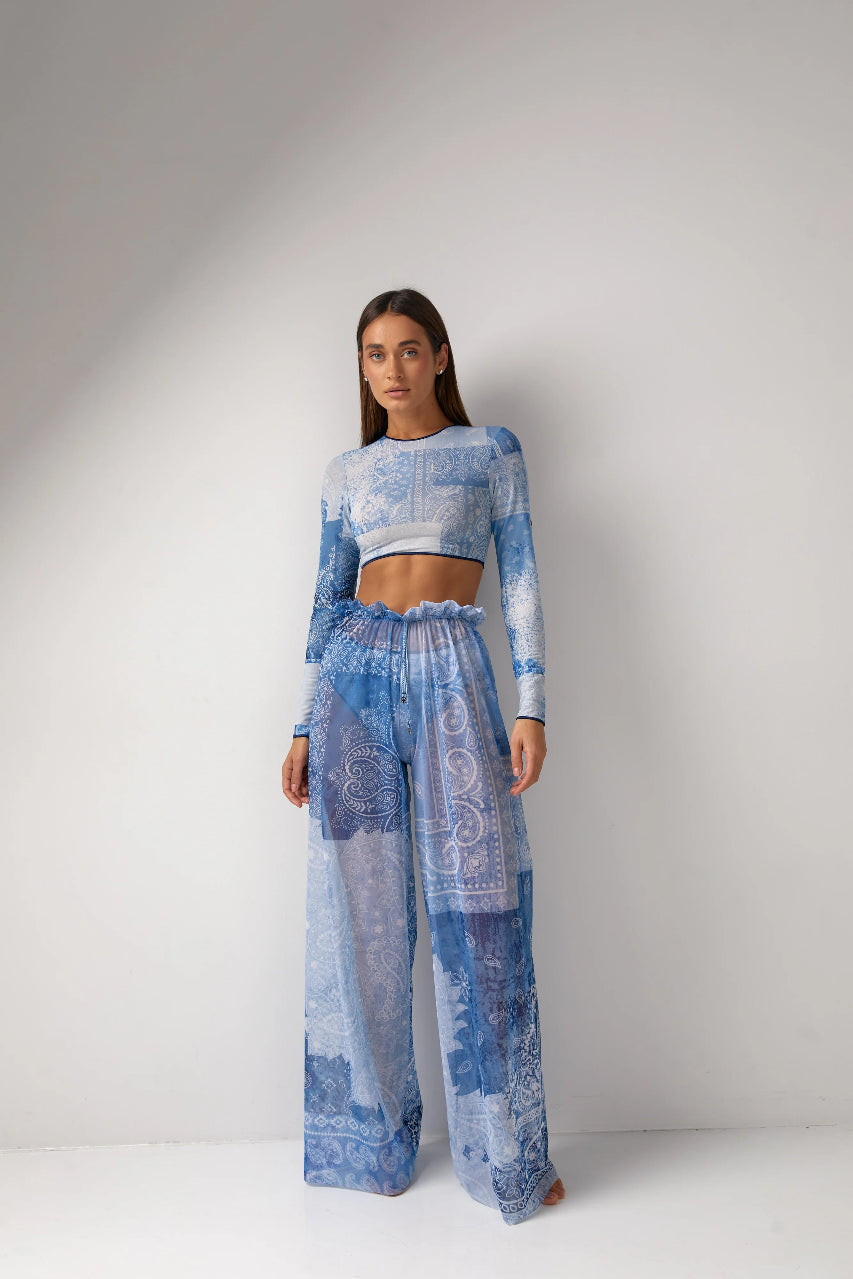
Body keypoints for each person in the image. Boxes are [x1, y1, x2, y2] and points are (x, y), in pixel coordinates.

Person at [281, 287, 565, 1224]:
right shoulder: (345, 472)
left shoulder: (491, 452)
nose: (392, 369)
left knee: (481, 917)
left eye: (409, 349)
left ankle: (509, 1162)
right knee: (360, 924)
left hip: (451, 671)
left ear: (440, 356)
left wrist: (531, 704)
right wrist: (301, 725)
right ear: (361, 369)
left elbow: (519, 577)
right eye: (375, 354)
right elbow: (325, 600)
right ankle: (367, 1147)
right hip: (354, 681)